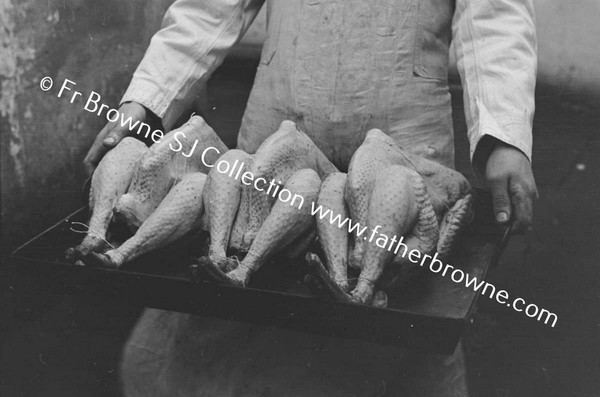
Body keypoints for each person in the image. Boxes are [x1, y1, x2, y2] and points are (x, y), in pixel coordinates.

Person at [84, 0, 538, 395]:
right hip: (281, 126)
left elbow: (495, 13)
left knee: (389, 309)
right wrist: (145, 101)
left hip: (403, 137)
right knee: (240, 294)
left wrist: (505, 138)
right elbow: (210, 6)